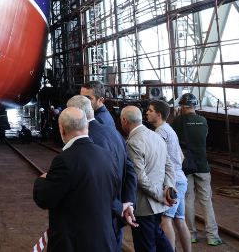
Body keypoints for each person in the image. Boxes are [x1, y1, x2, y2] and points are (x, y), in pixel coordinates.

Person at [33, 107, 121, 251]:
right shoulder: (108, 156)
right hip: (105, 241)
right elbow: (113, 193)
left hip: (74, 244)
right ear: (86, 126)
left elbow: (44, 199)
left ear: (61, 129)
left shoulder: (64, 160)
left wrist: (42, 180)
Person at [67, 95, 137, 251]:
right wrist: (128, 203)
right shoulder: (115, 133)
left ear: (77, 114)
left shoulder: (86, 141)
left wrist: (118, 207)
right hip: (118, 214)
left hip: (99, 218)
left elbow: (98, 183)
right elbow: (130, 170)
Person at [121, 105, 176, 252]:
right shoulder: (156, 136)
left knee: (146, 246)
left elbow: (139, 178)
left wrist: (161, 196)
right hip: (158, 205)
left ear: (124, 121)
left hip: (144, 206)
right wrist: (168, 190)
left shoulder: (133, 142)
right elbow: (170, 166)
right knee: (157, 236)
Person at [171, 93, 222, 246]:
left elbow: (174, 141)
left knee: (188, 199)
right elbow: (204, 137)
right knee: (206, 201)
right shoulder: (202, 120)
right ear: (195, 105)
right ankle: (212, 236)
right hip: (202, 166)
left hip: (186, 166)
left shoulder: (177, 122)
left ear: (181, 106)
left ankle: (192, 234)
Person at [147, 100, 191, 252]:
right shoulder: (169, 129)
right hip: (181, 179)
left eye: (150, 110)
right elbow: (181, 156)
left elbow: (156, 159)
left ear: (158, 115)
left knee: (165, 220)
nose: (147, 113)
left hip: (172, 182)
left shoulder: (159, 132)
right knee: (180, 220)